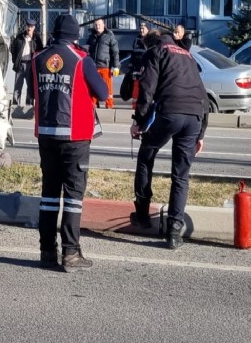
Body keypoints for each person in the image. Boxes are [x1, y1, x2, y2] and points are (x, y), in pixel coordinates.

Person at [32, 14, 109, 272]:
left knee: (49, 195)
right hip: (75, 135)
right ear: (75, 35)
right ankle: (71, 253)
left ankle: (46, 252)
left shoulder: (38, 59)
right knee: (74, 196)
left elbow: (34, 92)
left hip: (46, 134)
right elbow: (103, 92)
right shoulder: (81, 59)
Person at [130, 29, 208, 249]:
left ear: (149, 43)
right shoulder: (186, 54)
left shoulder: (155, 52)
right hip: (194, 116)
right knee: (181, 175)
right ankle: (174, 231)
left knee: (146, 155)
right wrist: (201, 133)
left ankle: (143, 216)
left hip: (170, 113)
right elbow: (202, 94)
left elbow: (147, 90)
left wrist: (138, 122)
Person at [86, 19, 120, 109]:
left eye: (99, 24)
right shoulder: (91, 37)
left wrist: (116, 66)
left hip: (105, 66)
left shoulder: (109, 36)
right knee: (93, 86)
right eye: (96, 25)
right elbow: (87, 51)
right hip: (93, 66)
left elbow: (115, 52)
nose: (98, 26)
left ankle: (109, 105)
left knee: (107, 87)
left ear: (103, 25)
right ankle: (92, 105)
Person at [11, 18, 44, 106]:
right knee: (18, 86)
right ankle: (15, 105)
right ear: (26, 26)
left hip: (31, 64)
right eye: (28, 26)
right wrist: (15, 61)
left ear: (34, 27)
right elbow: (13, 49)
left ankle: (28, 105)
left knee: (30, 86)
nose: (29, 28)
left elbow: (40, 52)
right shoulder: (19, 37)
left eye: (31, 26)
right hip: (20, 64)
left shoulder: (36, 39)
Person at [128, 22, 149, 108]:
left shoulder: (150, 40)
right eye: (140, 28)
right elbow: (133, 55)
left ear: (148, 29)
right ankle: (135, 106)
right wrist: (131, 66)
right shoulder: (136, 40)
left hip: (147, 69)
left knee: (146, 89)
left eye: (143, 28)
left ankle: (145, 106)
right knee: (136, 89)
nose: (141, 30)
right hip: (136, 69)